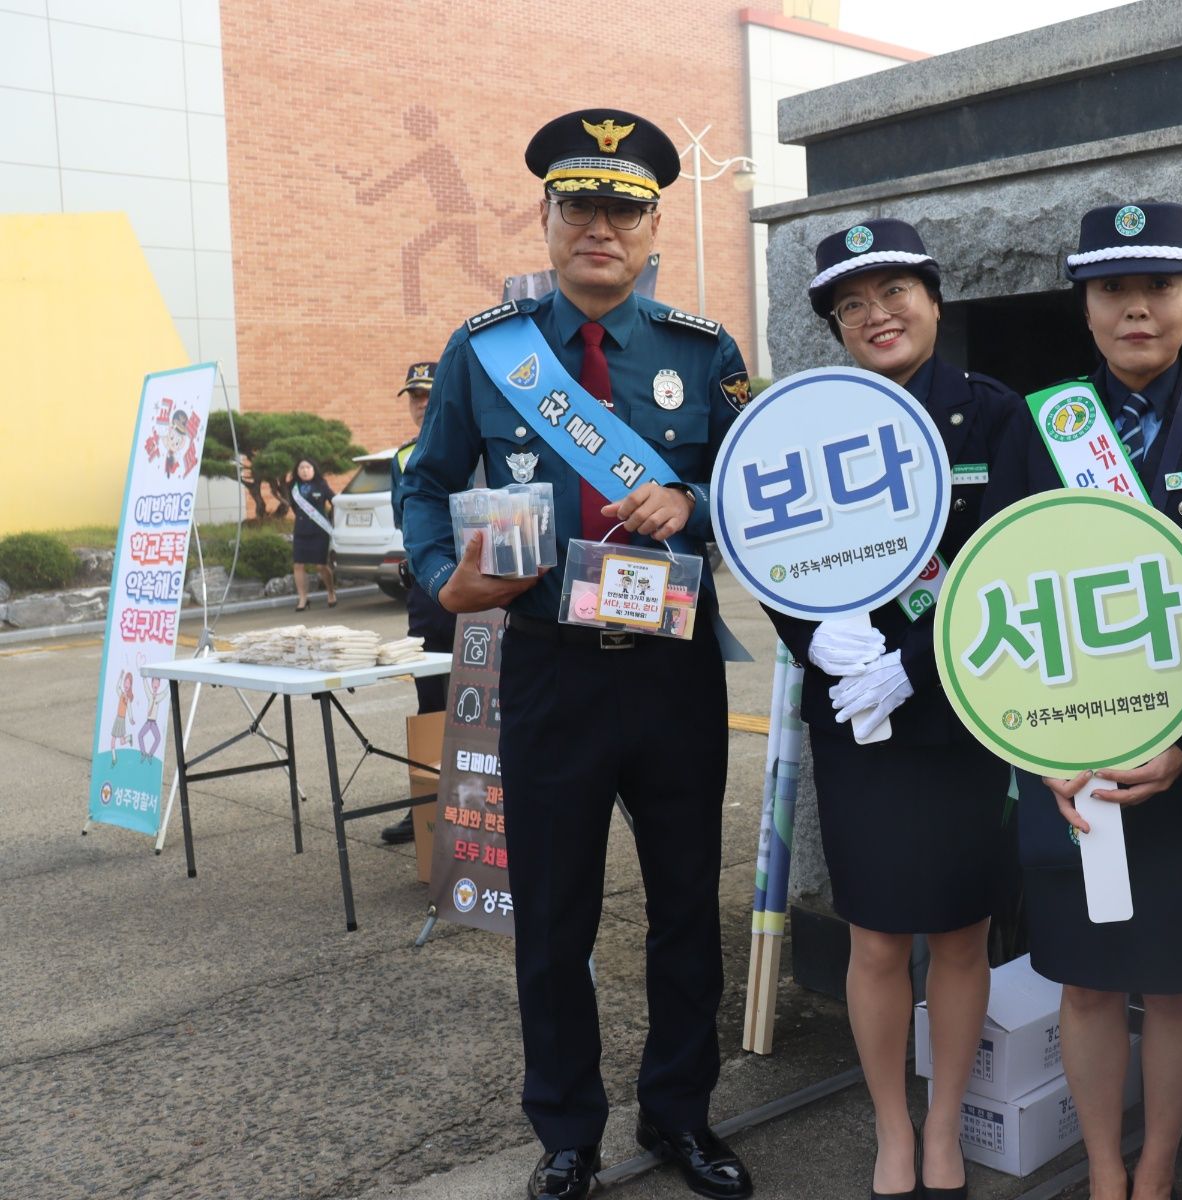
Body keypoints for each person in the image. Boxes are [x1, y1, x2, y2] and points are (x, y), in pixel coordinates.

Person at [395, 108, 755, 1200]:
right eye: (580, 204)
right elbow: (424, 482)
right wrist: (439, 581)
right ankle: (565, 1129)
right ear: (548, 218)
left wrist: (687, 498)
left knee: (689, 902)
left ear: (652, 231)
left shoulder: (706, 354)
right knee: (553, 914)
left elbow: (750, 497)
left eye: (626, 209)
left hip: (671, 665)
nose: (602, 226)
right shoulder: (485, 350)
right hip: (548, 663)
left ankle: (682, 1117)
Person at [983, 202, 1182, 1200]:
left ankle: (1156, 1170)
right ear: (1086, 308)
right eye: (1112, 289)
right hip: (1065, 760)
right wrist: (1040, 751)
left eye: (1159, 286)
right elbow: (1000, 594)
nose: (1136, 307)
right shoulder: (1040, 422)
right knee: (1088, 980)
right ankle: (1104, 1170)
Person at [760, 219, 1015, 1200]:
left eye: (895, 292)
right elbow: (770, 545)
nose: (878, 315)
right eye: (852, 304)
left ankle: (943, 1126)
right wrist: (808, 634)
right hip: (854, 719)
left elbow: (1009, 561)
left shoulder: (991, 416)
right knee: (873, 936)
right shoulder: (807, 421)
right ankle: (890, 1128)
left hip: (958, 713)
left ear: (935, 302)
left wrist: (917, 662)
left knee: (958, 932)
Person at [381, 360, 458, 846]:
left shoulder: (471, 443)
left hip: (479, 587)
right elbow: (403, 519)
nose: (421, 403)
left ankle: (492, 805)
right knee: (431, 698)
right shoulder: (403, 457)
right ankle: (427, 807)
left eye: (428, 393)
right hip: (428, 593)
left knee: (490, 698)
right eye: (413, 396)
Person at [290, 456, 337, 609]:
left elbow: (334, 501)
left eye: (308, 468)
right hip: (301, 530)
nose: (305, 471)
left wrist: (331, 518)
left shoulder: (321, 484)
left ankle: (331, 592)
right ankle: (303, 599)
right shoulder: (293, 486)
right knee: (298, 565)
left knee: (320, 566)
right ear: (297, 471)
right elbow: (294, 507)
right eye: (301, 468)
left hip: (319, 530)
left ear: (314, 469)